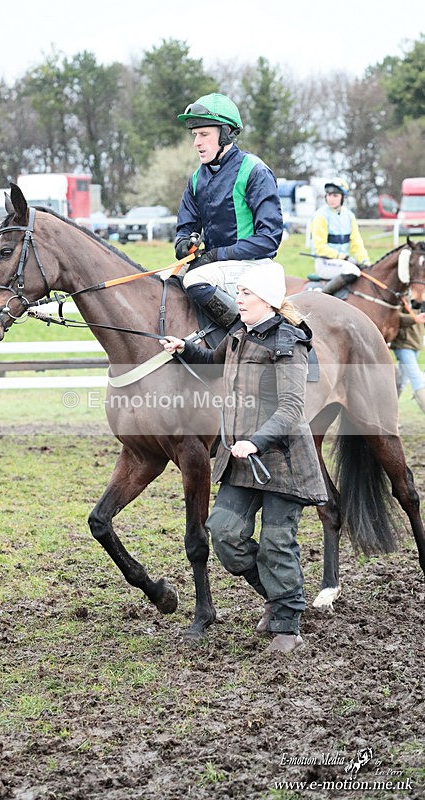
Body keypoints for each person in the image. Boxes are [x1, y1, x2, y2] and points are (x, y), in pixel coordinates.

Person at [160, 261, 327, 653]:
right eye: (239, 293)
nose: (238, 299)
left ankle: (288, 627)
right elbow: (215, 363)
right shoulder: (238, 332)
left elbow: (290, 409)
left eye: (246, 294)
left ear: (267, 300)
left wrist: (255, 441)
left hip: (282, 459)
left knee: (276, 542)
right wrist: (185, 349)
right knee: (224, 534)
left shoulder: (288, 343)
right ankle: (275, 596)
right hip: (240, 460)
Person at [174, 93, 283, 332]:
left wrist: (216, 255)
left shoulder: (254, 171)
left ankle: (243, 336)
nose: (197, 143)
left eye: (204, 135)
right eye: (195, 135)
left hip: (253, 267)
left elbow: (269, 240)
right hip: (216, 269)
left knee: (194, 280)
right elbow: (186, 227)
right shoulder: (196, 179)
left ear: (226, 134)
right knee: (165, 284)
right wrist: (183, 243)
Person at [309, 177, 371, 296]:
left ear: (344, 197)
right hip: (325, 263)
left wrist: (365, 261)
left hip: (341, 262)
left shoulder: (349, 216)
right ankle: (323, 295)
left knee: (364, 271)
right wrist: (343, 257)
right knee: (352, 271)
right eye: (329, 195)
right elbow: (320, 247)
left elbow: (356, 243)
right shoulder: (320, 216)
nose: (331, 199)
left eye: (335, 195)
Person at [391, 309, 425, 413]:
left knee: (401, 381)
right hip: (403, 346)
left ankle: (389, 414)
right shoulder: (401, 297)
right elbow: (396, 317)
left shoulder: (419, 301)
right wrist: (415, 319)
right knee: (417, 379)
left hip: (416, 345)